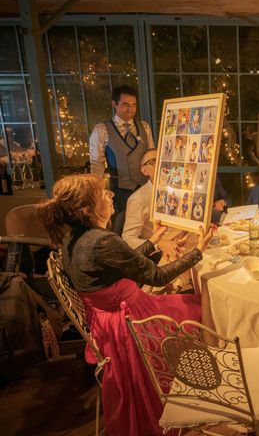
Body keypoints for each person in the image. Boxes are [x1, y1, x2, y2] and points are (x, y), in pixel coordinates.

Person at [37, 174, 216, 436]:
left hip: (105, 320)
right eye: (103, 194)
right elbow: (158, 276)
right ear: (87, 210)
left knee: (188, 302)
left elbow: (121, 261)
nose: (110, 196)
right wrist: (197, 250)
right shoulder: (102, 241)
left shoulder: (75, 237)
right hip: (130, 322)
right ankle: (198, 392)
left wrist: (154, 240)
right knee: (199, 309)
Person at [89, 85, 154, 214]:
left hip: (145, 188)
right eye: (125, 104)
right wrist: (97, 193)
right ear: (114, 104)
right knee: (122, 226)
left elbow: (152, 156)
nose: (130, 109)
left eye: (134, 105)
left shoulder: (145, 127)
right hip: (120, 191)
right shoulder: (102, 130)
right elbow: (97, 164)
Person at [122, 150, 186, 261]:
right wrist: (158, 244)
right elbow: (128, 239)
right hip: (162, 254)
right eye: (154, 161)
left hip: (185, 242)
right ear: (144, 170)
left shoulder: (178, 190)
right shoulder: (138, 199)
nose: (162, 164)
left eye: (164, 159)